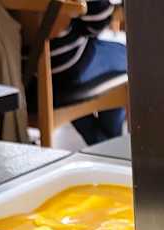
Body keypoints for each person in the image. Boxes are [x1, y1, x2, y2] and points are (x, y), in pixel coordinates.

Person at [49, 0, 124, 144]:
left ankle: (102, 143)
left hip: (26, 73)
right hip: (67, 66)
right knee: (127, 57)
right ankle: (110, 143)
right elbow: (97, 19)